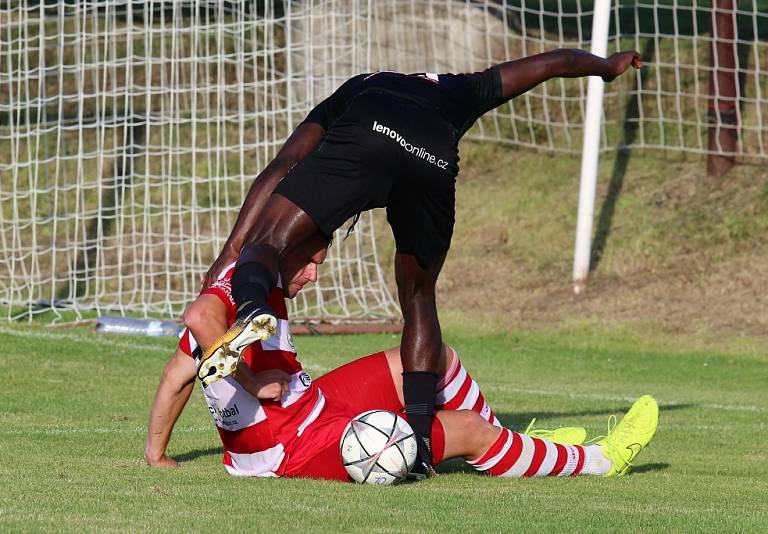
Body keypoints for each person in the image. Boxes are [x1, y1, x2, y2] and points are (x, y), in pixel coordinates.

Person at [194, 48, 643, 473]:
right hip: (432, 153)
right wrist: (606, 66)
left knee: (266, 243)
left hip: (367, 132)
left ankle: (252, 310)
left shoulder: (355, 89)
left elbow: (282, 165)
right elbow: (552, 63)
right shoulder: (459, 90)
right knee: (419, 300)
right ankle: (425, 441)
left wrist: (231, 252)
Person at [145, 234, 658, 480]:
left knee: (429, 355)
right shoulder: (237, 290)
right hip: (289, 449)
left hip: (313, 405)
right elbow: (199, 317)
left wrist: (156, 454)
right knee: (467, 430)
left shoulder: (257, 281)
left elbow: (176, 375)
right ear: (288, 250)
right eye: (313, 264)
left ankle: (515, 446)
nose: (315, 276)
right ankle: (599, 461)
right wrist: (255, 386)